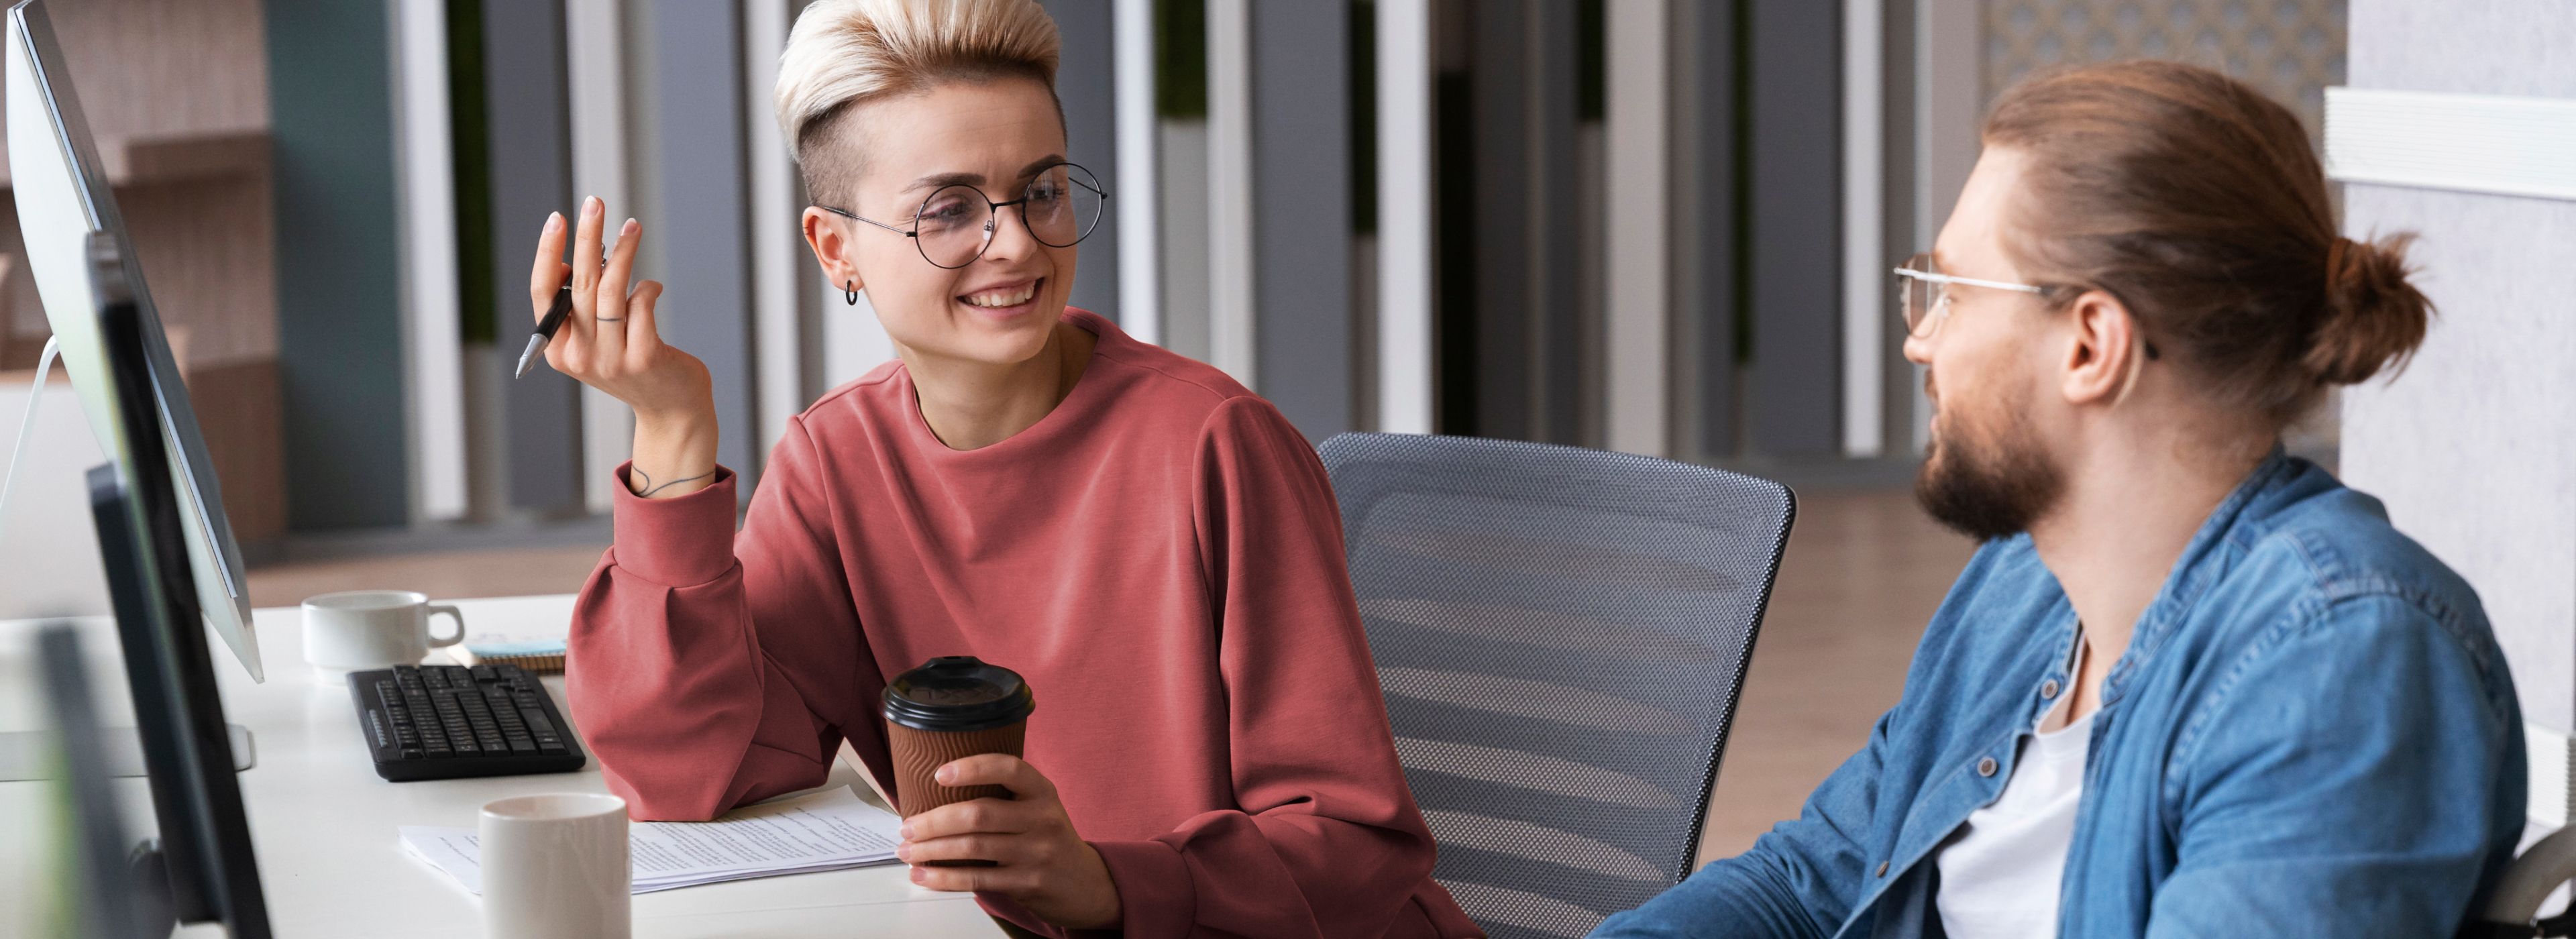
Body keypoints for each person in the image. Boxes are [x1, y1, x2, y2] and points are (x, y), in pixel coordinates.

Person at [533, 1, 1481, 936]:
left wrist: (1109, 884)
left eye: (1042, 190)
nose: (1019, 242)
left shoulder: (1216, 444)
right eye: (949, 210)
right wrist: (670, 432)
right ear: (835, 248)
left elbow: (1357, 846)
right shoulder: (837, 461)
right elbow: (689, 773)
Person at [1593, 60, 2524, 938]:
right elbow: (1813, 881)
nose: (1923, 343)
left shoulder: (2344, 660)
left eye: (1949, 292)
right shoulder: (2022, 585)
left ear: (2090, 345)